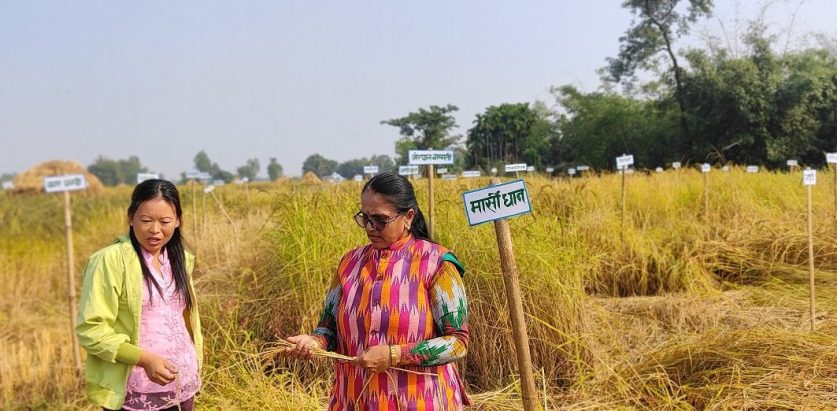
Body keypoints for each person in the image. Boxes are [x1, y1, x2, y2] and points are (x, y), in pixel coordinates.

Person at [282, 172, 470, 410]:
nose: (370, 227)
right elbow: (327, 329)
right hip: (354, 399)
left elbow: (458, 342)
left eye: (380, 220)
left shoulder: (437, 263)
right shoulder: (349, 263)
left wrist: (395, 355)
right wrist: (314, 342)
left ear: (408, 217)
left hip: (421, 402)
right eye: (365, 217)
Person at [76, 179, 202, 411]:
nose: (155, 230)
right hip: (137, 388)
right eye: (145, 220)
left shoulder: (180, 259)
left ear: (177, 221)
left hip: (182, 383)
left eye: (165, 221)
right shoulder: (110, 260)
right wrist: (144, 360)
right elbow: (91, 329)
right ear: (131, 218)